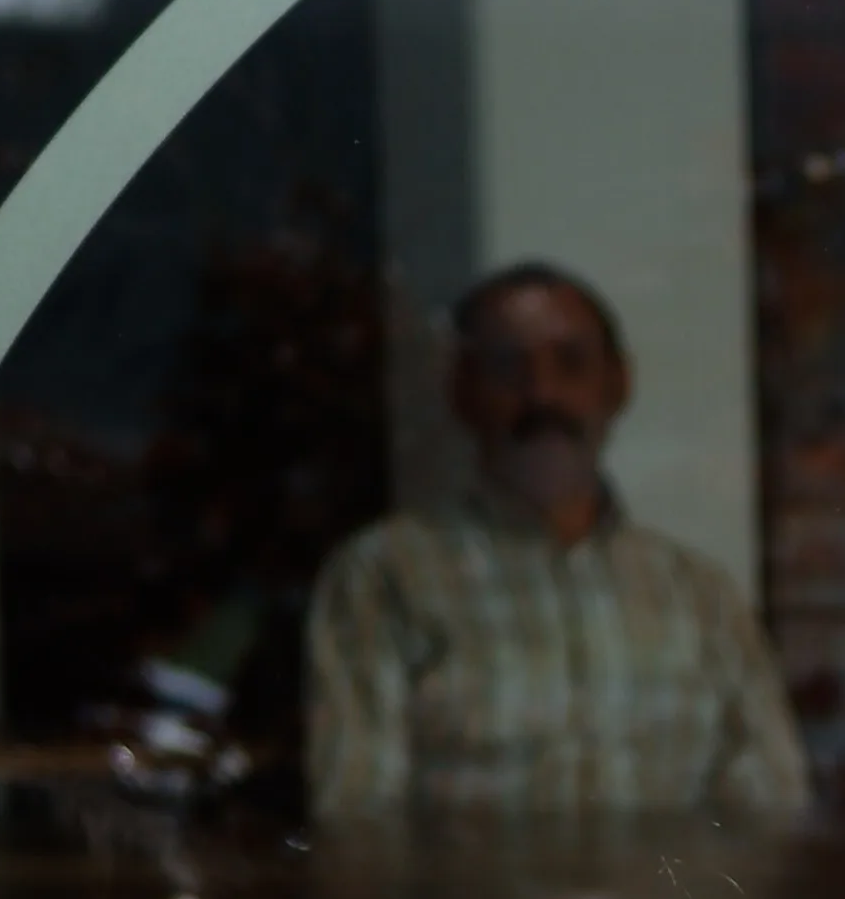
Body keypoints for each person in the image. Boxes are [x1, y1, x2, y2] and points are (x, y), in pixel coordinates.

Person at [305, 264, 811, 829]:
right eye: (507, 367)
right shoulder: (386, 575)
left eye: (570, 364)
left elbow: (772, 811)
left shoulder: (698, 593)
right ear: (461, 391)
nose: (541, 394)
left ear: (617, 385)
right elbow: (358, 821)